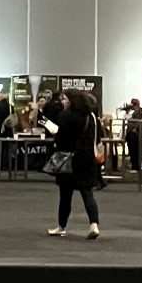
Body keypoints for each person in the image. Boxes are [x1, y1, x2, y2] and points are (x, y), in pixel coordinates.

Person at [46, 87, 102, 240]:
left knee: (65, 196)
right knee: (87, 193)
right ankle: (94, 225)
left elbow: (61, 138)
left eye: (64, 99)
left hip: (69, 159)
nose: (62, 102)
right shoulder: (92, 116)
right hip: (86, 159)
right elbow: (97, 138)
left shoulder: (65, 116)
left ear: (72, 101)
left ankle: (61, 226)